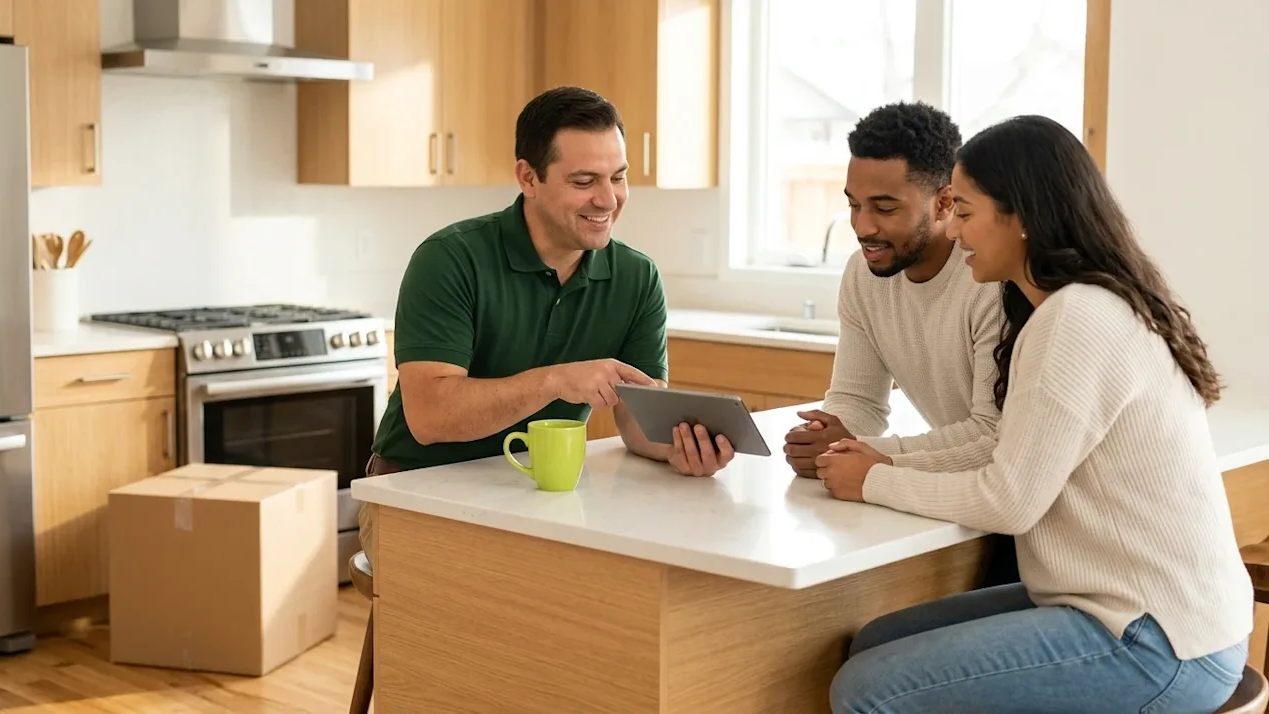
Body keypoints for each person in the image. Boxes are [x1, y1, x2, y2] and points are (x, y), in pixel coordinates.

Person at [817, 115, 1253, 713]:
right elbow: (1003, 449)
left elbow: (1009, 499)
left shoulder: (1075, 319)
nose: (958, 233)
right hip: (1125, 611)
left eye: (966, 213)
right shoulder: (1067, 309)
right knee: (875, 643)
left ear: (1019, 218)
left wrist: (873, 480)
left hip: (1159, 641)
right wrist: (876, 458)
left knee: (866, 690)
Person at [357, 86, 735, 571]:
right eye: (584, 181)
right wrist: (557, 379)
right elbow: (430, 418)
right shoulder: (450, 259)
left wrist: (677, 450)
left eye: (618, 177)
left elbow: (639, 421)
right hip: (416, 492)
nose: (608, 199)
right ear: (528, 177)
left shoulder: (637, 278)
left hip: (543, 498)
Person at [781, 101, 1016, 586]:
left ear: (946, 201)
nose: (863, 226)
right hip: (955, 492)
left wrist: (867, 456)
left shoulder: (991, 279)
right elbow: (857, 401)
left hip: (1000, 503)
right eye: (853, 204)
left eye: (885, 207)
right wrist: (829, 436)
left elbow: (992, 435)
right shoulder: (863, 276)